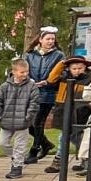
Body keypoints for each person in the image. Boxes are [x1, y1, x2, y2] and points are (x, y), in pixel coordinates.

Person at [0, 59, 41, 180]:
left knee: (20, 145)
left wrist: (28, 117)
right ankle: (16, 158)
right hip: (6, 120)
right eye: (22, 72)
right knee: (3, 143)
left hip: (23, 122)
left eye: (26, 72)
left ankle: (17, 167)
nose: (25, 74)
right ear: (13, 72)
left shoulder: (32, 86)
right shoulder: (5, 87)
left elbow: (34, 103)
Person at [44, 56, 91, 173]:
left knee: (66, 137)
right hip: (64, 110)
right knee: (74, 137)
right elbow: (51, 79)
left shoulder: (88, 79)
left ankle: (59, 161)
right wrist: (61, 64)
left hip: (79, 111)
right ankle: (87, 159)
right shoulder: (64, 78)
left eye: (80, 68)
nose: (77, 71)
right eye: (74, 68)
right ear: (69, 69)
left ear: (85, 68)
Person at [24, 27, 65, 163]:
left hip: (48, 93)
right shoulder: (30, 55)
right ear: (40, 40)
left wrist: (48, 82)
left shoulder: (59, 55)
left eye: (53, 39)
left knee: (38, 122)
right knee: (29, 123)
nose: (50, 41)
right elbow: (24, 70)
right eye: (48, 39)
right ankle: (46, 144)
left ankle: (34, 150)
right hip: (32, 92)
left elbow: (62, 73)